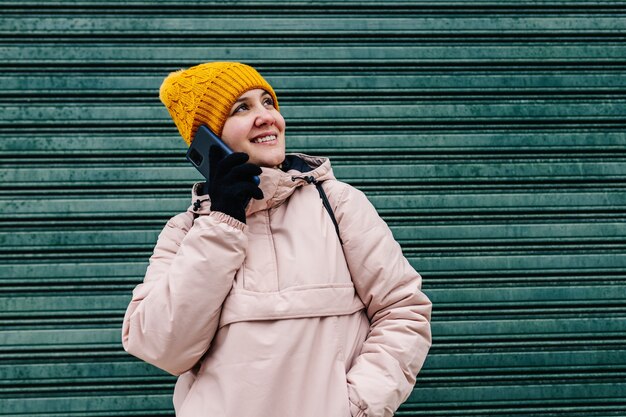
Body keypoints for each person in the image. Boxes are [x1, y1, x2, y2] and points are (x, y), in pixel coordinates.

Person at [122, 61, 432, 417]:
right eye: (242, 108)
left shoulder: (337, 204)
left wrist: (357, 407)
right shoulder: (186, 232)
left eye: (268, 102)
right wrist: (222, 222)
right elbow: (163, 348)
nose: (267, 117)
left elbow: (403, 311)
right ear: (208, 141)